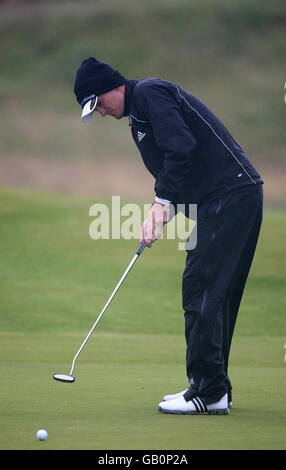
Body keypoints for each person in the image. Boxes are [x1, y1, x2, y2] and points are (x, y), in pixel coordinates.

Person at [74, 57, 263, 415]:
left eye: (98, 103)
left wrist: (162, 203)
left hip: (230, 195)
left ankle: (208, 392)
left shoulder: (148, 94)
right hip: (227, 198)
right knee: (214, 293)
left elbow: (181, 146)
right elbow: (174, 173)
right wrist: (157, 214)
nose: (100, 113)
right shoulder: (139, 120)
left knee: (201, 286)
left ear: (111, 87)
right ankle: (214, 388)